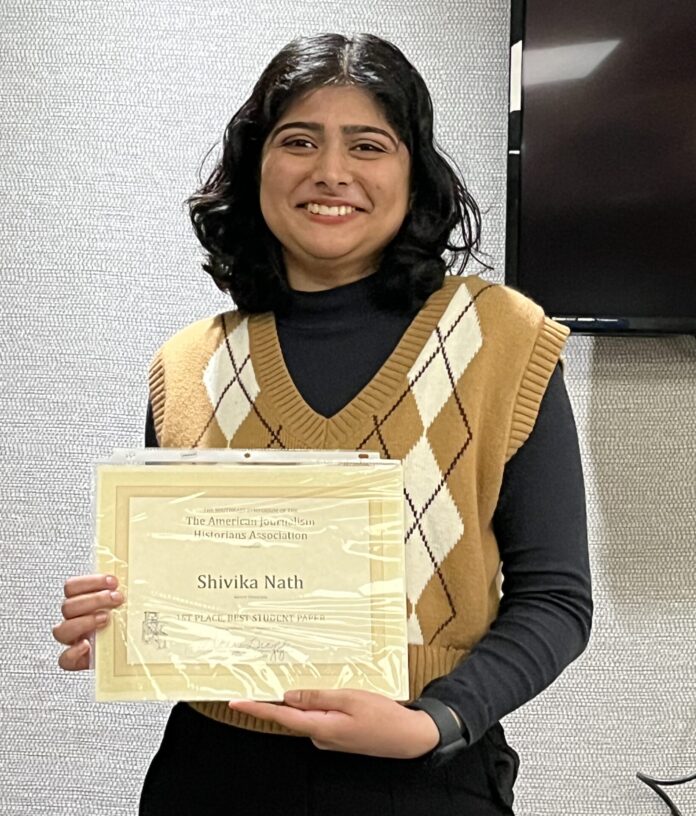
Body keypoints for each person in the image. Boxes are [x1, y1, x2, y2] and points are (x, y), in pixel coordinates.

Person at [52, 33, 592, 815]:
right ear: (255, 166)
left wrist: (437, 720)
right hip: (213, 775)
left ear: (414, 173)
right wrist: (121, 622)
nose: (330, 171)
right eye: (297, 140)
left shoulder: (506, 341)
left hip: (429, 775)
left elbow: (556, 599)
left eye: (367, 144)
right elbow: (194, 595)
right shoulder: (185, 366)